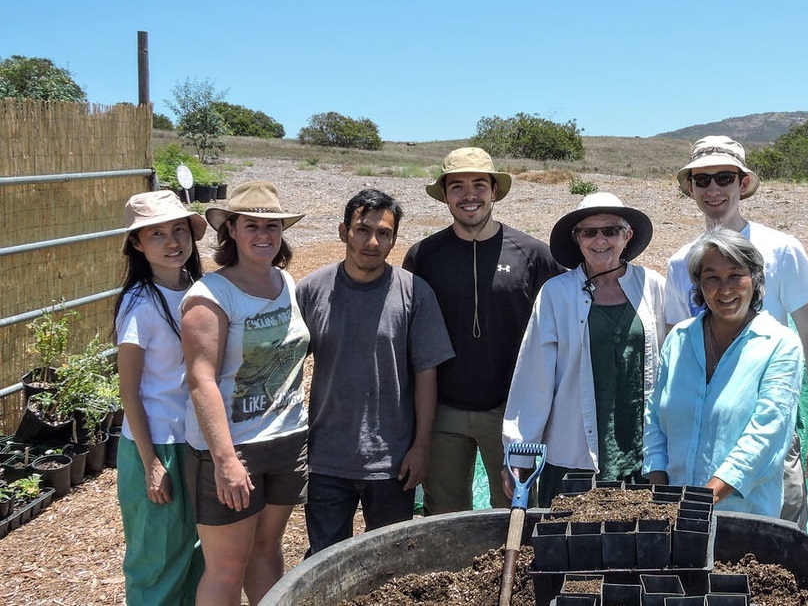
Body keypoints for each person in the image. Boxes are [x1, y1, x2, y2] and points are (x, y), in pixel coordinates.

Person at [664, 135, 808, 527]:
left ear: (742, 184)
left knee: (779, 545)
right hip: (697, 449)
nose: (713, 190)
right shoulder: (680, 264)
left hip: (768, 440)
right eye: (702, 180)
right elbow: (674, 357)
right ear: (690, 188)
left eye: (724, 178)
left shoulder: (781, 249)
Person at [403, 147, 563, 514]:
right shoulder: (423, 256)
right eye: (457, 186)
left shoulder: (534, 254)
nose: (469, 195)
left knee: (514, 510)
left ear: (494, 191)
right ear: (444, 195)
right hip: (442, 408)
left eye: (479, 184)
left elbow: (560, 327)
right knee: (442, 513)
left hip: (512, 410)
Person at [296, 189, 454, 554]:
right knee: (325, 559)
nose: (372, 241)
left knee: (390, 564)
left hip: (392, 461)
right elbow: (287, 370)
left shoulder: (414, 292)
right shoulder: (311, 290)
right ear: (343, 231)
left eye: (384, 233)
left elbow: (426, 374)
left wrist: (421, 446)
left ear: (394, 239)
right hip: (326, 458)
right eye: (362, 230)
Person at [181, 180, 310, 605]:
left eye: (272, 226)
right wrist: (225, 460)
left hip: (286, 439)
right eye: (251, 225)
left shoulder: (285, 282)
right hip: (237, 448)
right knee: (226, 567)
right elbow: (201, 380)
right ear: (230, 230)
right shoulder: (211, 295)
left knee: (267, 549)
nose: (263, 235)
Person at [502, 192, 666, 506]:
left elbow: (672, 366)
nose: (600, 240)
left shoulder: (653, 285)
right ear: (577, 239)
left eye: (610, 231)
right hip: (572, 454)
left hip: (641, 454)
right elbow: (534, 377)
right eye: (589, 232)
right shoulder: (556, 294)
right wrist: (520, 453)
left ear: (627, 236)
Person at [645, 227, 803, 517]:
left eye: (735, 276)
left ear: (754, 280)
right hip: (673, 514)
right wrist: (661, 492)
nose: (725, 289)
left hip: (742, 519)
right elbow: (655, 418)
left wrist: (704, 500)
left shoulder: (779, 345)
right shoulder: (679, 339)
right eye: (712, 278)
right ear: (699, 286)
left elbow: (765, 435)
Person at [114, 190, 206, 605]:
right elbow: (128, 391)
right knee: (158, 559)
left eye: (179, 230)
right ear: (137, 244)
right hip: (158, 443)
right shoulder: (139, 304)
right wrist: (151, 463)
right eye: (157, 235)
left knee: (197, 552)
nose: (173, 243)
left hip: (196, 439)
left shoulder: (199, 289)